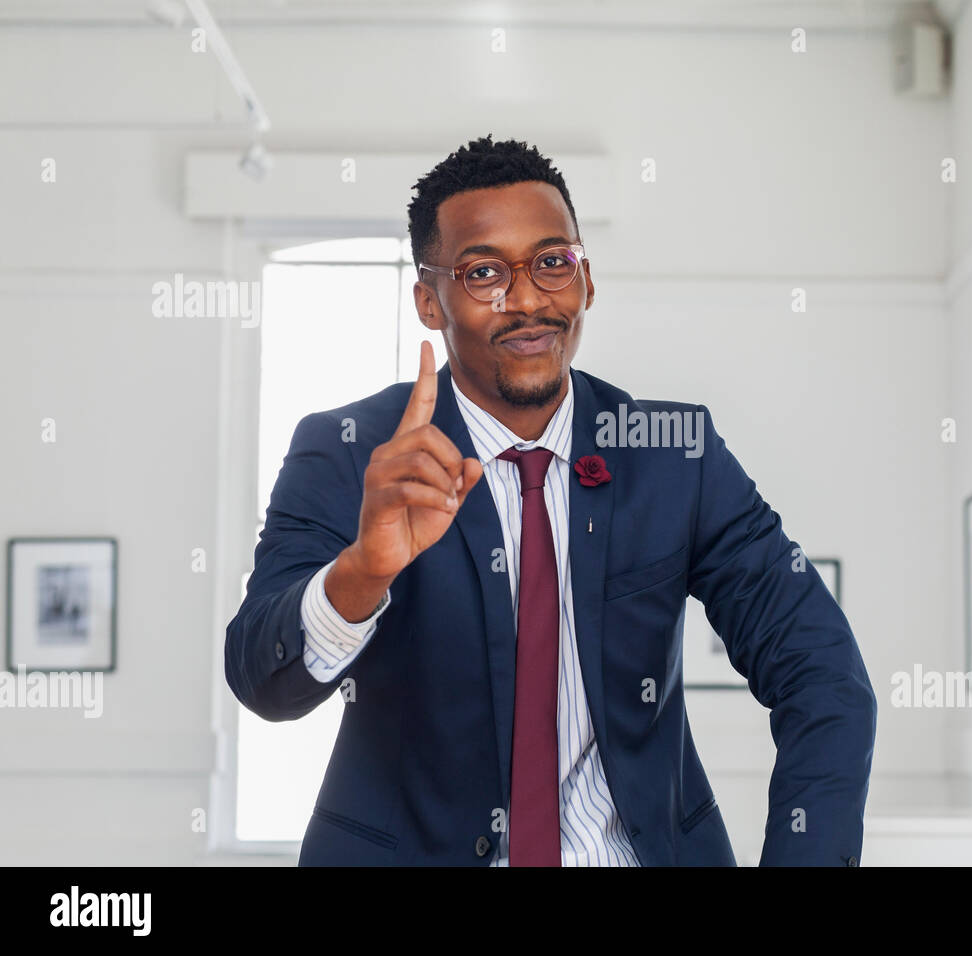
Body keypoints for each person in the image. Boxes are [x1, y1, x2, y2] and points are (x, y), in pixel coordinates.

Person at [225, 134, 876, 866]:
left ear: (586, 279)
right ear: (429, 303)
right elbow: (263, 682)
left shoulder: (673, 454)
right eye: (483, 273)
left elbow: (823, 676)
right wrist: (361, 574)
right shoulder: (350, 452)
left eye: (551, 263)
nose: (528, 298)